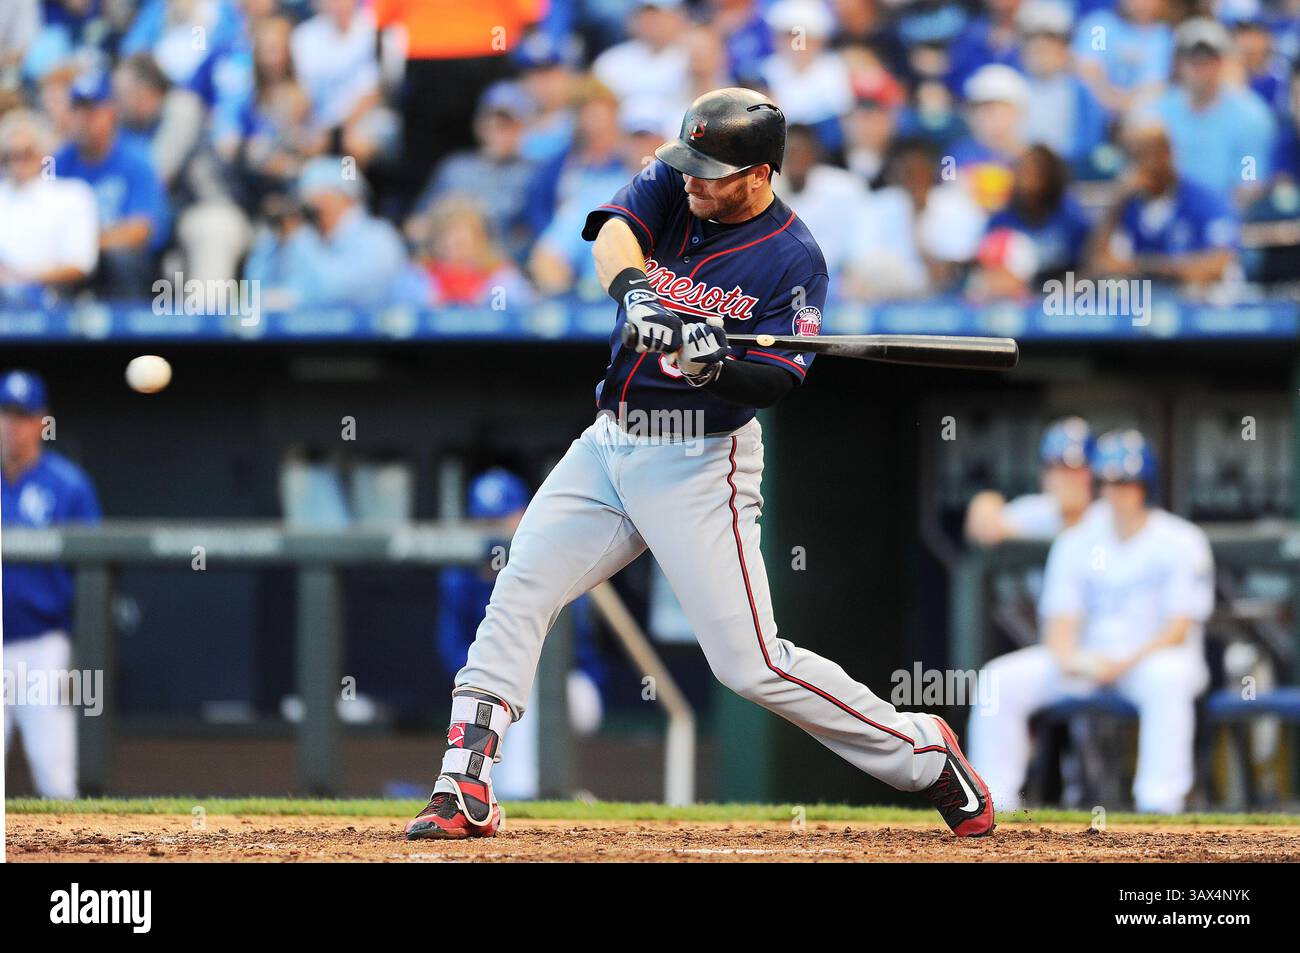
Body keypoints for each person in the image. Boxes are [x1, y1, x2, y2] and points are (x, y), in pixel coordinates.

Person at [404, 87, 995, 841]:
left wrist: (715, 366)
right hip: (610, 438)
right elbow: (613, 233)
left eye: (712, 172)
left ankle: (923, 751)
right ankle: (465, 784)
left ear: (758, 174)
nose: (692, 180)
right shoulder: (676, 179)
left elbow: (779, 382)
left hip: (699, 458)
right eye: (690, 164)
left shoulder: (794, 259)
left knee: (752, 664)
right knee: (519, 588)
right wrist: (642, 296)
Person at [969, 430, 1214, 814]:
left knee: (1167, 678)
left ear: (1145, 486)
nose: (1116, 491)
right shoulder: (1078, 539)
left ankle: (1159, 805)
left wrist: (1123, 663)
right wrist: (1074, 660)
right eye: (1108, 481)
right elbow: (1060, 624)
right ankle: (991, 804)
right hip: (1089, 661)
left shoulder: (1181, 539)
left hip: (1152, 662)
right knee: (999, 679)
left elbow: (1178, 630)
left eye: (1126, 482)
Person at [436, 468, 605, 800]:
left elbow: (574, 649)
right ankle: (492, 791)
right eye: (486, 522)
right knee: (503, 688)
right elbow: (450, 649)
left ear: (524, 516)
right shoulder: (460, 575)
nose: (495, 530)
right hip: (501, 691)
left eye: (504, 520)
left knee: (527, 685)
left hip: (574, 689)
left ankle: (526, 794)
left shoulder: (551, 560)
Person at [1, 370, 102, 800]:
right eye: (5, 413)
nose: (11, 425)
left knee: (56, 779)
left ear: (42, 422)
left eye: (22, 416)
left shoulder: (68, 485)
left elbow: (93, 573)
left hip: (41, 647)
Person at [243, 156, 429, 308]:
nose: (311, 205)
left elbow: (338, 292)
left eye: (321, 196)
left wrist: (299, 238)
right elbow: (256, 291)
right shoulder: (302, 234)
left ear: (346, 198)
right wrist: (277, 240)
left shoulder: (378, 236)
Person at [55, 69, 170, 298]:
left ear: (110, 113)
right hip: (73, 261)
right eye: (77, 111)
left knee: (118, 259)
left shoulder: (137, 159)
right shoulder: (59, 162)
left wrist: (83, 247)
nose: (83, 120)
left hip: (127, 261)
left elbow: (141, 230)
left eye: (92, 111)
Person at [1088, 122, 1239, 289]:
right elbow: (1099, 264)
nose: (1141, 165)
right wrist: (1116, 203)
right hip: (1147, 299)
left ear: (1167, 154)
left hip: (1200, 301)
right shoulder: (1129, 203)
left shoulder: (1205, 199)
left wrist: (1151, 267)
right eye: (1133, 156)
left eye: (1148, 154)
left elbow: (1219, 264)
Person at [1144, 18, 1276, 206]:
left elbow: (1250, 182)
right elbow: (1145, 176)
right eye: (1192, 59)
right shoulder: (1154, 114)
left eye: (1208, 59)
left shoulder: (1252, 117)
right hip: (1168, 215)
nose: (1200, 68)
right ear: (1178, 63)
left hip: (1226, 217)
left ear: (1222, 62)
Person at [0, 109, 98, 303]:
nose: (18, 163)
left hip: (54, 297)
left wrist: (21, 279)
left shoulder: (72, 195)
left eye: (26, 154)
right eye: (10, 155)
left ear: (44, 154)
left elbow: (80, 264)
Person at [966, 416, 1099, 547]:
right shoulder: (1036, 512)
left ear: (1091, 472)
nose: (1065, 478)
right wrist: (985, 502)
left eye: (1074, 469)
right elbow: (984, 527)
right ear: (1045, 474)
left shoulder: (1105, 516)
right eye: (1056, 467)